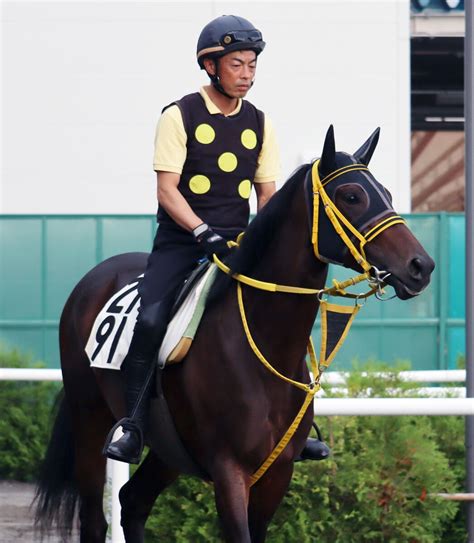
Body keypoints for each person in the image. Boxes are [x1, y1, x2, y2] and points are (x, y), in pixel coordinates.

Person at [104, 14, 329, 465]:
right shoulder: (179, 114)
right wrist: (202, 231)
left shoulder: (261, 123)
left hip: (237, 246)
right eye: (237, 65)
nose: (246, 74)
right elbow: (166, 190)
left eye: (251, 65)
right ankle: (132, 423)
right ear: (211, 66)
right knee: (150, 323)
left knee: (285, 315)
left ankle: (297, 425)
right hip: (181, 245)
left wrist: (268, 248)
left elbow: (267, 194)